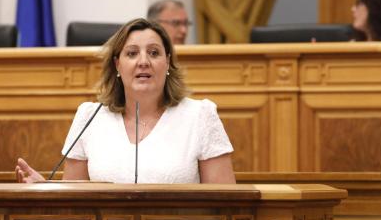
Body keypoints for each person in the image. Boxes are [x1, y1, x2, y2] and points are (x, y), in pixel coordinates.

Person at [16, 18, 235, 184]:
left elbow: (227, 208)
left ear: (167, 62)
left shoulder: (199, 116)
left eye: (154, 52)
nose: (143, 62)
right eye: (131, 54)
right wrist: (44, 192)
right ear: (117, 65)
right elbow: (74, 206)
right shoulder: (89, 118)